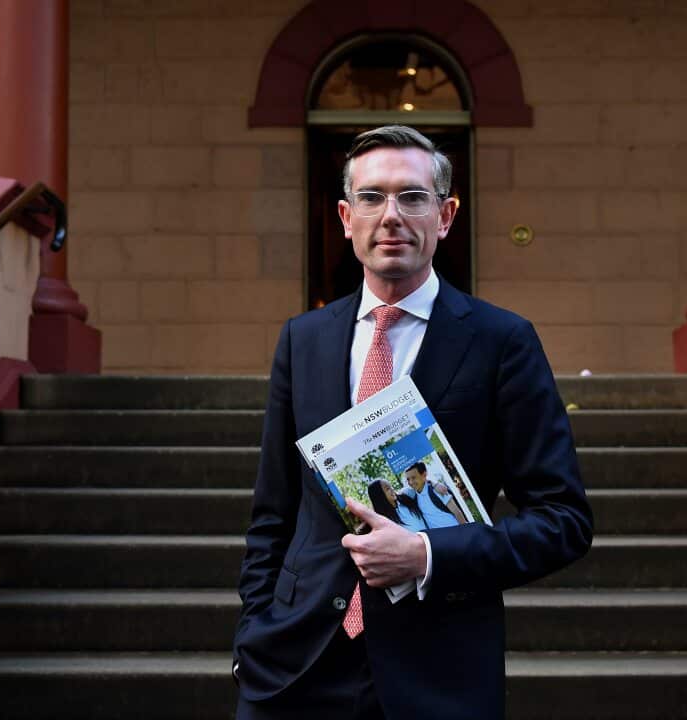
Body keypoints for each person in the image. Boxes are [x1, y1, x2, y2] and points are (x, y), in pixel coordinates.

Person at [232, 125, 592, 720]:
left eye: (412, 197)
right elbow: (273, 511)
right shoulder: (303, 340)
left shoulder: (502, 342)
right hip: (292, 666)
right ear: (346, 218)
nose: (390, 215)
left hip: (436, 672)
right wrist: (252, 637)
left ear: (445, 216)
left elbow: (564, 520)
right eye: (372, 198)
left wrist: (427, 554)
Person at [400, 461, 466, 526]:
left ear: (424, 475)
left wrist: (465, 532)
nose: (411, 482)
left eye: (414, 478)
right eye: (408, 479)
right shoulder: (413, 495)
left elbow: (457, 512)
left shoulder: (437, 490)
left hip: (456, 532)